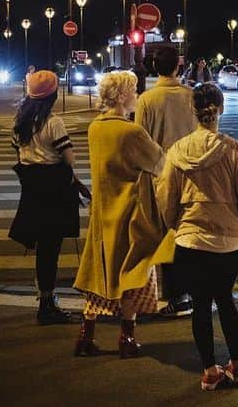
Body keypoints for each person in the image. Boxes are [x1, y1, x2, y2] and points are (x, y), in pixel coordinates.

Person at [156, 82, 238, 390]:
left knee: (200, 305)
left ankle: (210, 370)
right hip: (227, 241)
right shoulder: (235, 149)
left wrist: (176, 223)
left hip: (190, 240)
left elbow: (165, 196)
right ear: (221, 109)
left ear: (193, 111)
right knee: (226, 300)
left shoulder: (177, 150)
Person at [73, 71, 174, 357]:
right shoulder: (130, 132)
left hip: (102, 211)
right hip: (130, 212)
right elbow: (159, 163)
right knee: (131, 274)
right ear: (121, 96)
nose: (137, 95)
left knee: (100, 275)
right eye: (133, 90)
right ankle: (126, 338)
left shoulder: (96, 127)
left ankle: (85, 335)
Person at [8, 70, 86, 325]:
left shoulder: (20, 120)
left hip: (32, 187)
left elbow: (16, 150)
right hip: (54, 187)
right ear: (53, 95)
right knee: (50, 248)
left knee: (43, 246)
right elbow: (68, 157)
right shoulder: (54, 122)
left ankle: (45, 299)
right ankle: (46, 304)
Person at [136, 46, 199, 317]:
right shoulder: (190, 97)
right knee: (188, 233)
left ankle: (176, 295)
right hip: (190, 175)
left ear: (153, 67)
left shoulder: (147, 100)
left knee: (167, 235)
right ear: (178, 67)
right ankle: (193, 291)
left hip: (161, 176)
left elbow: (140, 140)